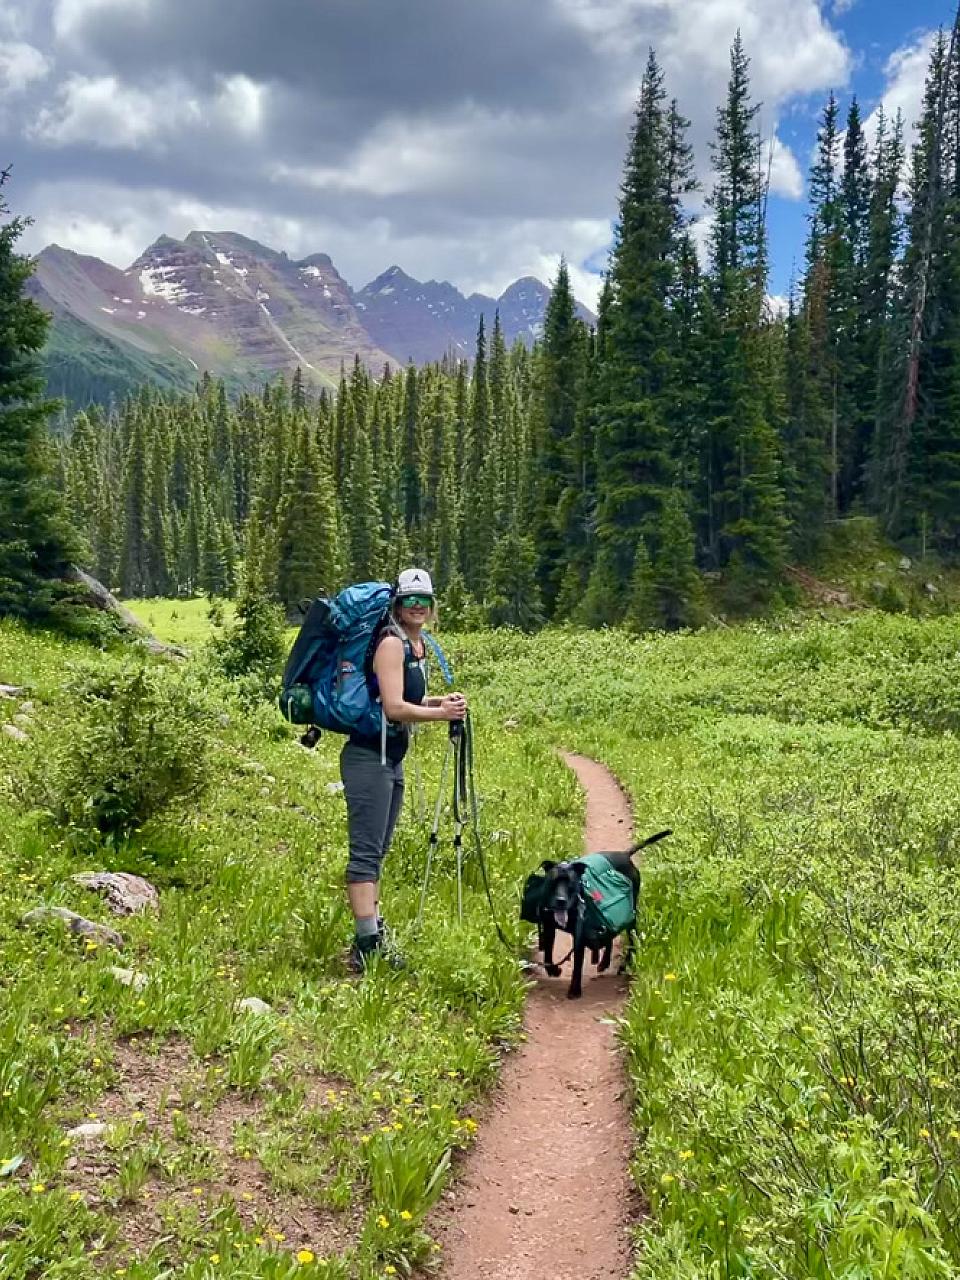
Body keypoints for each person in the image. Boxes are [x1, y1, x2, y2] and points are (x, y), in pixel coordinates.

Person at [341, 567, 467, 971]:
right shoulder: (391, 645)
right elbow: (394, 708)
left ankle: (372, 932)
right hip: (368, 757)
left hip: (390, 758)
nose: (418, 606)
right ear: (397, 603)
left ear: (432, 606)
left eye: (424, 600)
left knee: (378, 850)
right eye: (410, 599)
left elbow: (404, 698)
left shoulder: (417, 644)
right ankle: (367, 947)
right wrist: (440, 714)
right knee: (365, 853)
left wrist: (438, 702)